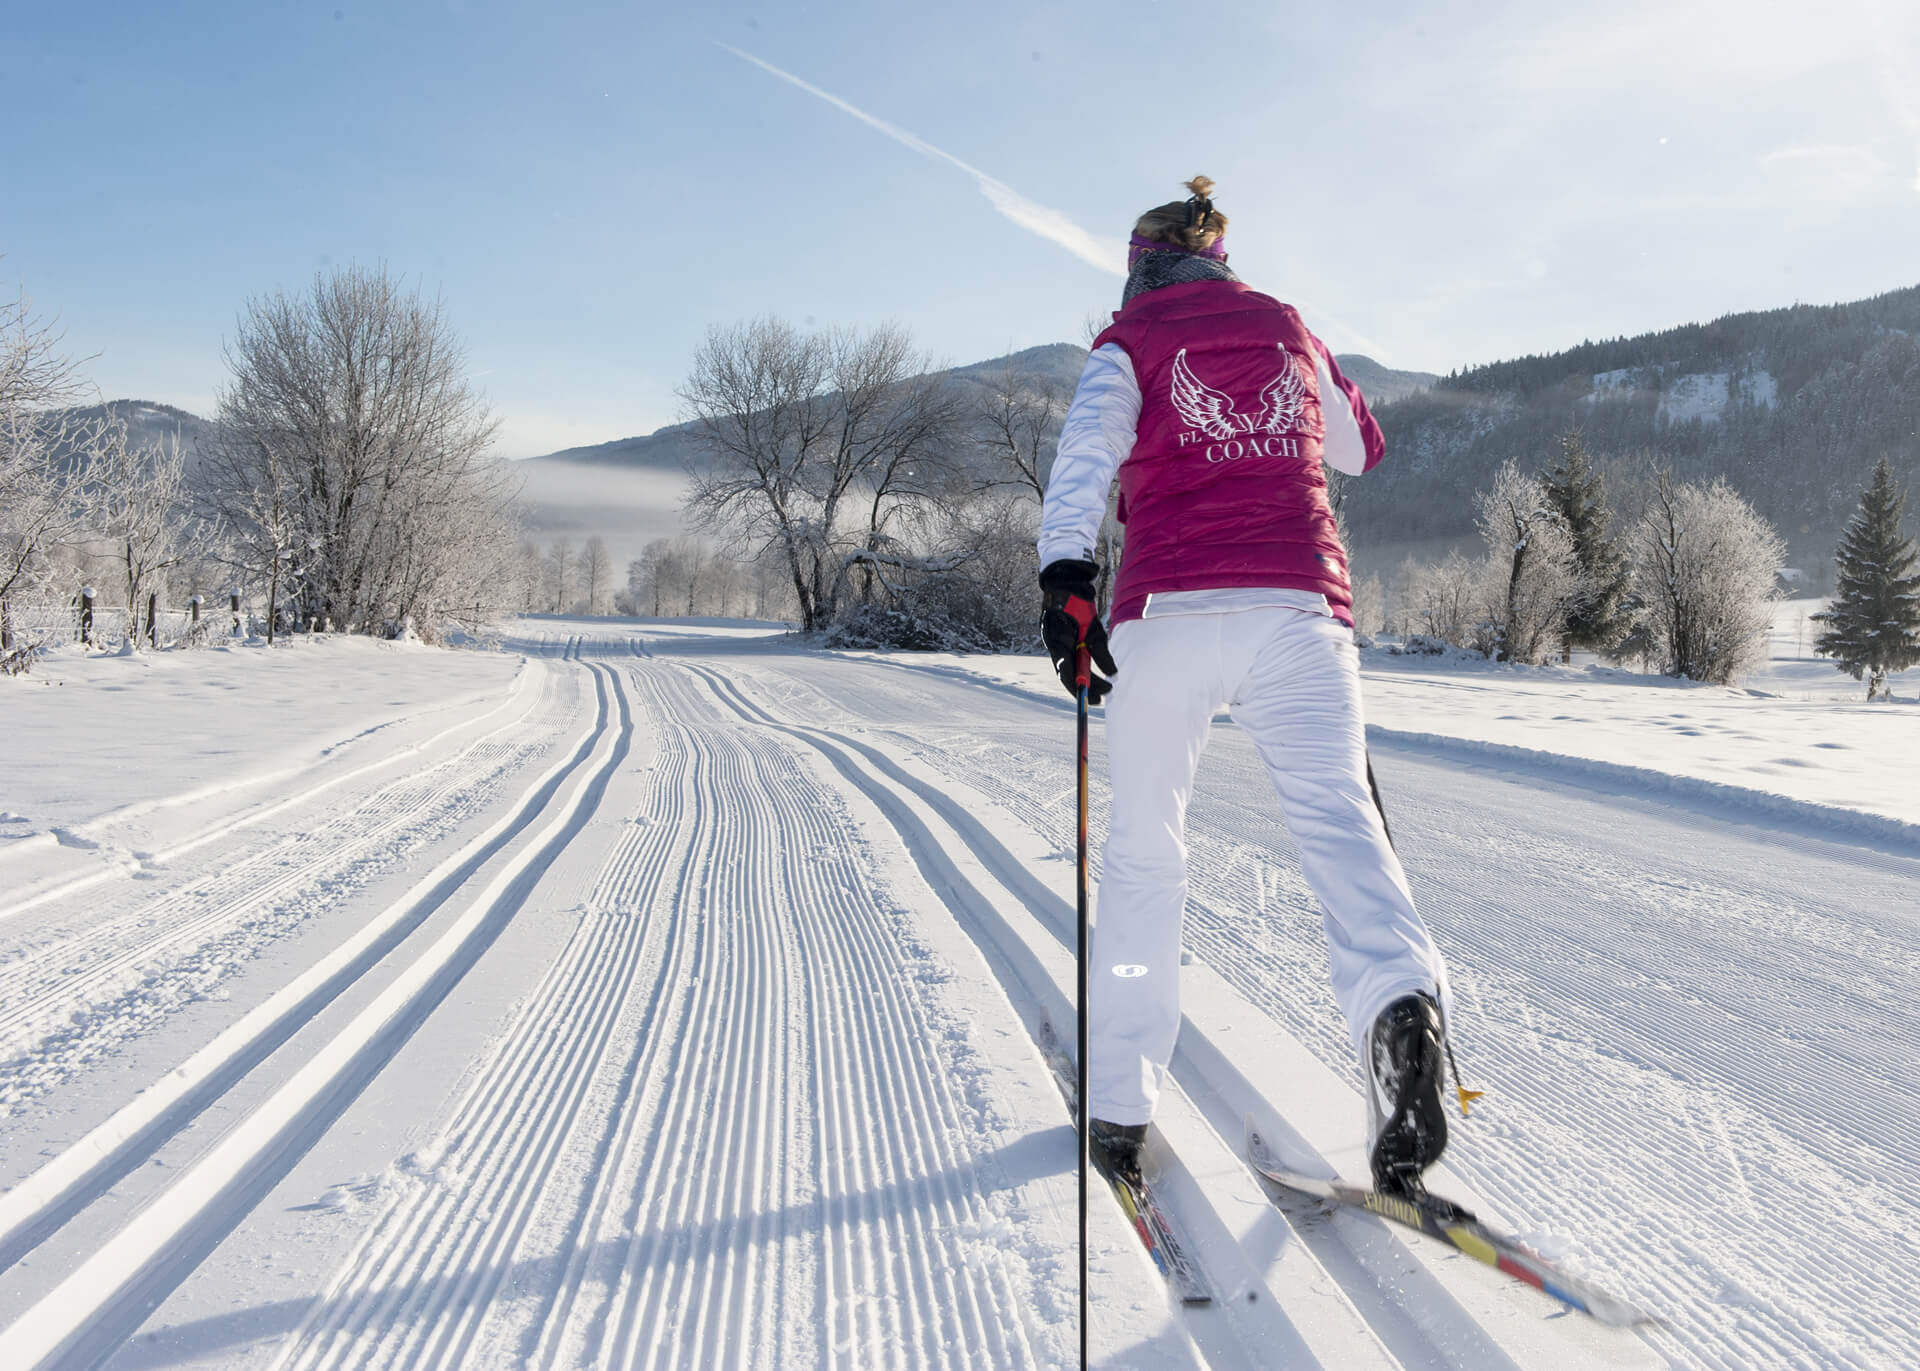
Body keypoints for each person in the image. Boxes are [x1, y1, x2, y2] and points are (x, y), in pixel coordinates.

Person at [1038, 177, 1458, 1198]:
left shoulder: (1126, 343)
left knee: (1144, 856)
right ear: (1221, 258)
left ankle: (1123, 1106)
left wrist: (1065, 582)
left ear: (1140, 269)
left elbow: (1085, 459)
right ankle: (1402, 1011)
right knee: (1342, 828)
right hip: (1298, 610)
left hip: (1166, 610)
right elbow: (1361, 447)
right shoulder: (1284, 324)